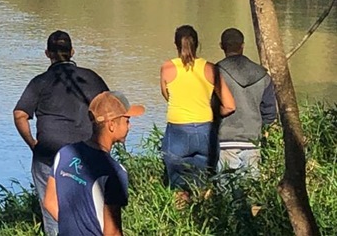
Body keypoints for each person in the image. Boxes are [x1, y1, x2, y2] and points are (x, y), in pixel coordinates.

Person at [14, 31, 109, 236]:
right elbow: (109, 109)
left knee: (52, 212)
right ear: (72, 52)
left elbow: (20, 114)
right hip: (86, 154)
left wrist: (33, 143)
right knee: (89, 208)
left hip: (49, 154)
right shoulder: (92, 78)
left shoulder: (40, 81)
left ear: (47, 54)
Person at [44, 91, 145, 236]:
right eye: (127, 120)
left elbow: (49, 201)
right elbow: (113, 232)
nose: (130, 126)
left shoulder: (64, 153)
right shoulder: (114, 171)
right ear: (111, 125)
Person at [160, 25, 236, 204]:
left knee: (179, 188)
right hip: (205, 132)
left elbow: (167, 96)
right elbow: (230, 105)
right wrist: (213, 114)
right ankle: (203, 216)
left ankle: (180, 223)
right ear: (197, 43)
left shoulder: (167, 68)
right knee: (203, 184)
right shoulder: (210, 68)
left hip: (177, 131)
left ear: (176, 44)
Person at [215, 28, 277, 176]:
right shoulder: (263, 75)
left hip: (225, 140)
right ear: (242, 46)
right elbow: (270, 113)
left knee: (226, 190)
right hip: (252, 141)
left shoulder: (215, 72)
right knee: (250, 191)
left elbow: (209, 106)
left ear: (222, 46)